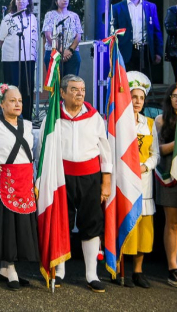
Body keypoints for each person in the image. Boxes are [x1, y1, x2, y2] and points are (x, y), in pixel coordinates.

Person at [45, 74, 111, 293]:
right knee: (61, 221)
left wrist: (106, 181)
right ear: (62, 93)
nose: (80, 93)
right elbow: (43, 147)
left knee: (91, 223)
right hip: (61, 177)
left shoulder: (94, 117)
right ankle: (60, 270)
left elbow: (105, 151)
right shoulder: (53, 117)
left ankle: (91, 274)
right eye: (74, 89)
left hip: (90, 178)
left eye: (82, 89)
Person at [0, 85, 39, 291]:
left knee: (20, 227)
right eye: (12, 100)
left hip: (24, 182)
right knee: (8, 227)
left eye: (19, 100)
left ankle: (6, 269)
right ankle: (10, 268)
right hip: (4, 180)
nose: (17, 104)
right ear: (2, 103)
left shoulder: (28, 126)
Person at [120, 71, 159, 288]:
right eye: (134, 97)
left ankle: (138, 271)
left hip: (144, 182)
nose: (137, 101)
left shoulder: (150, 124)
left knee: (143, 227)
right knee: (126, 224)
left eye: (141, 98)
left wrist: (144, 166)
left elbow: (156, 154)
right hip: (125, 182)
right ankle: (120, 270)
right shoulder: (120, 122)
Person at [155, 84, 177, 288]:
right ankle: (173, 268)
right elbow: (158, 149)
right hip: (170, 175)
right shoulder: (161, 120)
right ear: (169, 99)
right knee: (173, 223)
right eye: (174, 96)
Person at [0, 0, 38, 120]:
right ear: (15, 2)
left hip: (28, 58)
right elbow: (1, 39)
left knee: (27, 87)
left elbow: (35, 37)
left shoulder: (32, 18)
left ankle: (27, 117)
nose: (21, 1)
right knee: (11, 87)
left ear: (28, 2)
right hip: (11, 58)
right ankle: (9, 116)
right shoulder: (8, 18)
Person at [112, 0, 163, 74]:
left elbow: (156, 30)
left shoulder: (150, 7)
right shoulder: (117, 8)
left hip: (145, 51)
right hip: (126, 51)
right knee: (128, 79)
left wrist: (158, 52)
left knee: (144, 79)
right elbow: (113, 31)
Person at [43, 0, 82, 77]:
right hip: (54, 51)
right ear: (56, 1)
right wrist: (61, 50)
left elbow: (78, 35)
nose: (65, 0)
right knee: (55, 83)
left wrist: (70, 50)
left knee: (71, 81)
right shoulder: (50, 15)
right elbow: (48, 34)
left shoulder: (74, 16)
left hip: (71, 53)